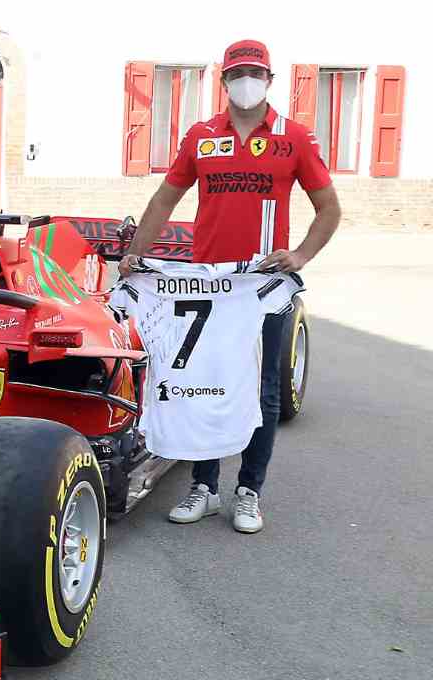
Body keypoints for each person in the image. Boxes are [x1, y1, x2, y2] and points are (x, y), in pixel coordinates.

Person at [118, 39, 340, 534]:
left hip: (263, 287)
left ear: (269, 79)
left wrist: (300, 256)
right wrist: (137, 253)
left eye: (255, 72)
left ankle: (249, 492)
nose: (246, 81)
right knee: (206, 383)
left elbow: (330, 209)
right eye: (237, 73)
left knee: (262, 393)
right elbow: (163, 201)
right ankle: (204, 486)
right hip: (208, 287)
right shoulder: (200, 136)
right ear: (223, 81)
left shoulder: (294, 138)